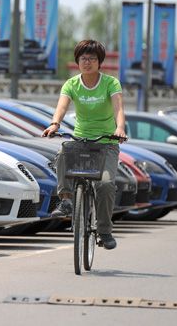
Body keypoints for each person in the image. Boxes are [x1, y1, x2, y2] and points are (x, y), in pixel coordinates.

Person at [42, 39, 127, 250]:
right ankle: (66, 199)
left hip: (107, 142)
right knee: (63, 152)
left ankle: (104, 230)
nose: (87, 62)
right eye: (83, 58)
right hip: (81, 139)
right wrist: (54, 124)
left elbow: (118, 108)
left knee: (105, 184)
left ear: (100, 62)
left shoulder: (110, 83)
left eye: (92, 59)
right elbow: (61, 107)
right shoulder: (71, 84)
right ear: (77, 61)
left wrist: (120, 128)